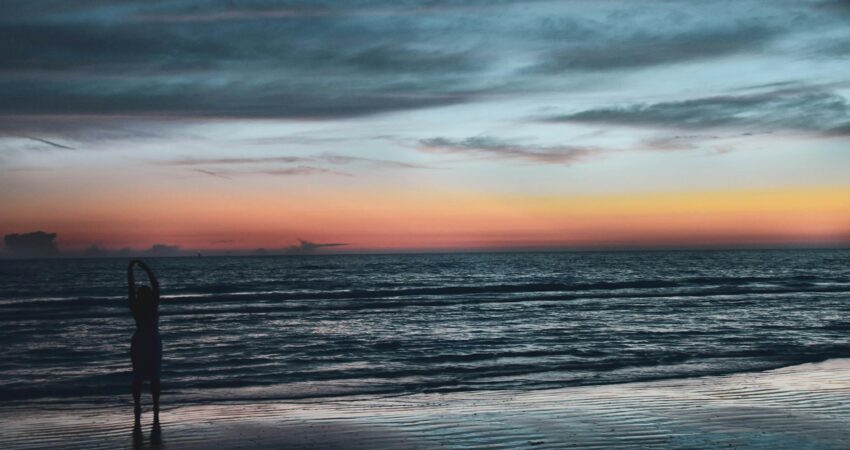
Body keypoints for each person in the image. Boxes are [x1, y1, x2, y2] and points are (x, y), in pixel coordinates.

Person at [128, 260, 162, 426]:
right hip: (153, 342)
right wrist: (147, 268)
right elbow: (156, 285)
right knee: (155, 376)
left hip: (140, 342)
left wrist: (130, 270)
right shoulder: (153, 304)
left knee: (138, 376)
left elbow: (130, 289)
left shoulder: (136, 307)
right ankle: (155, 406)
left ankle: (137, 406)